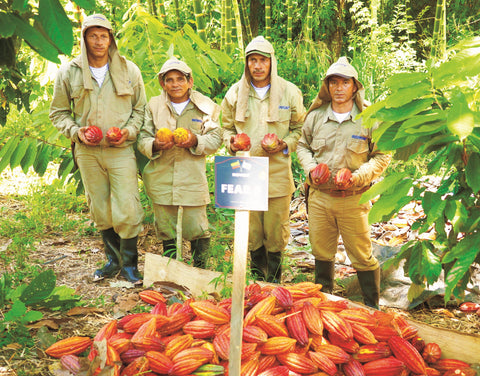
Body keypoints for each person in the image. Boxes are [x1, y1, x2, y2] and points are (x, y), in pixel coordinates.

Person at [49, 14, 146, 285]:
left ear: (111, 38)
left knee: (127, 205)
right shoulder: (69, 72)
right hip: (88, 152)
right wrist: (76, 131)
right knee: (100, 208)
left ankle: (129, 265)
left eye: (104, 35)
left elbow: (140, 110)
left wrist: (129, 132)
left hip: (120, 149)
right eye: (93, 35)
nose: (99, 41)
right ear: (84, 38)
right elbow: (58, 113)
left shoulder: (129, 70)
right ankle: (113, 261)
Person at [297, 56, 391, 308]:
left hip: (353, 199)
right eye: (333, 82)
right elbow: (302, 146)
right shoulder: (316, 117)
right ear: (327, 87)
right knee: (321, 252)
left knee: (362, 255)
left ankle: (372, 307)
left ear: (355, 86)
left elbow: (382, 155)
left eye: (345, 83)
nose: (339, 88)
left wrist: (358, 176)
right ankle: (323, 303)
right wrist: (310, 169)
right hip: (320, 198)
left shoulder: (369, 118)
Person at [221, 36, 306, 283]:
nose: (258, 66)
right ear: (246, 63)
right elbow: (225, 128)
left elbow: (300, 128)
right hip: (244, 172)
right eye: (252, 60)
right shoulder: (235, 93)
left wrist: (284, 144)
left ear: (272, 63)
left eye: (263, 60)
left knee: (276, 232)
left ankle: (274, 283)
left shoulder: (289, 92)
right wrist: (231, 142)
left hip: (276, 171)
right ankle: (257, 283)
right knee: (252, 233)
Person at [137, 57, 222, 268]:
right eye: (170, 80)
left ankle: (200, 272)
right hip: (161, 177)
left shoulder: (205, 106)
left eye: (180, 79)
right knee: (166, 229)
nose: (175, 84)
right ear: (162, 83)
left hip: (191, 178)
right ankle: (172, 273)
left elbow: (216, 138)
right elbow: (142, 137)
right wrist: (155, 145)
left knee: (197, 228)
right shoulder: (154, 105)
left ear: (190, 81)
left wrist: (195, 141)